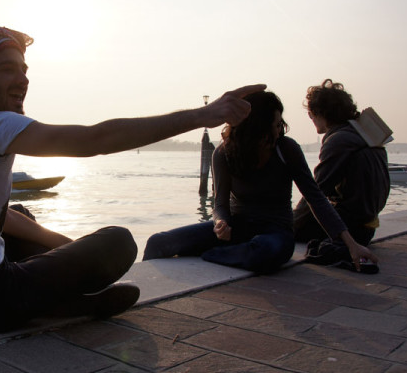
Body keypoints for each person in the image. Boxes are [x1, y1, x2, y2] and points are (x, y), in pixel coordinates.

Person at [0, 26, 266, 333]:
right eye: (8, 69)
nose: (23, 79)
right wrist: (204, 114)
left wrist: (68, 249)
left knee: (20, 212)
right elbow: (95, 139)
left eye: (25, 70)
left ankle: (62, 301)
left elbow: (2, 218)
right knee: (119, 242)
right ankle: (64, 303)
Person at [143, 91, 377, 274]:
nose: (280, 130)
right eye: (275, 125)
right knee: (158, 242)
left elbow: (316, 198)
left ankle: (211, 254)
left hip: (276, 232)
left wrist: (350, 244)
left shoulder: (287, 149)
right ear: (256, 128)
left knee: (266, 251)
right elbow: (220, 204)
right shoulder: (223, 154)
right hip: (237, 227)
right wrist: (221, 222)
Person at [293, 79, 389, 269]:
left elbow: (315, 193)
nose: (311, 118)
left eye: (311, 114)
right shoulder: (365, 136)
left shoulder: (338, 141)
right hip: (367, 228)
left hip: (351, 229)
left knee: (280, 227)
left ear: (320, 114)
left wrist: (291, 223)